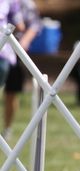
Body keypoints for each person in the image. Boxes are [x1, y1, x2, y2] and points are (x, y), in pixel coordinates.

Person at [2, 0, 40, 141]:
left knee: (11, 93)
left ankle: (7, 129)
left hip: (14, 51)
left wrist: (24, 42)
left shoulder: (26, 4)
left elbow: (33, 25)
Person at [0, 0, 24, 139]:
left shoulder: (12, 2)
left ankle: (7, 129)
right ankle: (7, 129)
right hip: (6, 55)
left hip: (6, 54)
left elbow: (20, 25)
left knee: (11, 94)